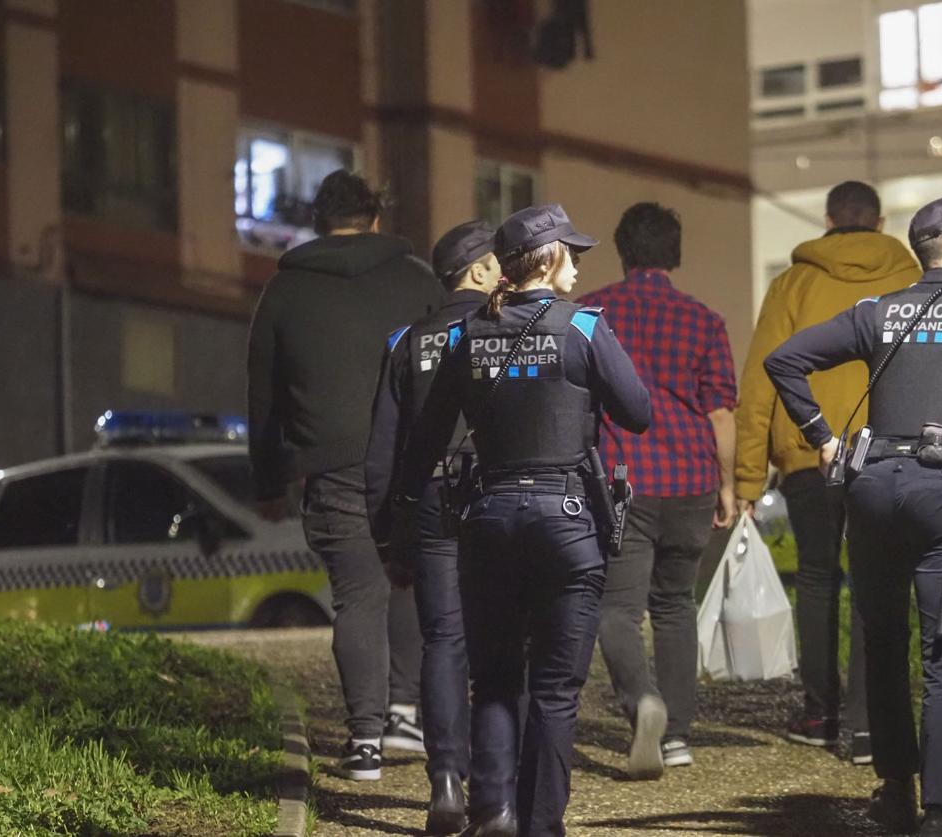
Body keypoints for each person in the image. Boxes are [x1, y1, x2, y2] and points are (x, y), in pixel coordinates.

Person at [764, 193, 942, 837]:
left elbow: (786, 360)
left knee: (883, 645)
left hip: (870, 486)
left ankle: (894, 789)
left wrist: (823, 438)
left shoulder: (877, 312)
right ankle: (940, 812)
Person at [398, 204, 651, 837]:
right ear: (549, 258)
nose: (580, 264)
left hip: (488, 520)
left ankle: (492, 813)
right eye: (574, 251)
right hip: (566, 521)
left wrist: (403, 513)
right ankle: (542, 825)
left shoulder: (467, 335)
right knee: (556, 691)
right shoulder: (584, 327)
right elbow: (638, 412)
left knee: (495, 677)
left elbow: (427, 439)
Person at [247, 169, 440, 781]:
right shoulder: (417, 282)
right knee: (406, 578)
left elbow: (263, 394)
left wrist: (269, 480)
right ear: (376, 218)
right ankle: (404, 712)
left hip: (330, 466)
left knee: (358, 595)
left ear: (317, 224)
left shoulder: (284, 292)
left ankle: (364, 741)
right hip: (410, 458)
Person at [734, 181, 920, 764]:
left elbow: (763, 379)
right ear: (881, 221)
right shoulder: (910, 280)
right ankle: (869, 725)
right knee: (879, 581)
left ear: (829, 219)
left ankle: (820, 714)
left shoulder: (794, 283)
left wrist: (746, 478)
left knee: (817, 578)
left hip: (809, 451)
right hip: (890, 449)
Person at [577, 202, 737, 779]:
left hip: (622, 482)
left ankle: (642, 701)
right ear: (675, 252)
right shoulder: (705, 320)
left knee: (616, 608)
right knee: (674, 606)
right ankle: (678, 738)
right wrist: (727, 487)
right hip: (691, 479)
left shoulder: (589, 313)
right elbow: (720, 414)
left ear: (623, 252)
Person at [366, 221, 500, 833]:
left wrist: (388, 537)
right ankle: (497, 793)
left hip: (427, 501)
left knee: (443, 641)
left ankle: (445, 781)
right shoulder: (506, 329)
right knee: (499, 643)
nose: (508, 269)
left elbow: (382, 454)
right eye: (499, 261)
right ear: (476, 270)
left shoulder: (404, 341)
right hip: (495, 498)